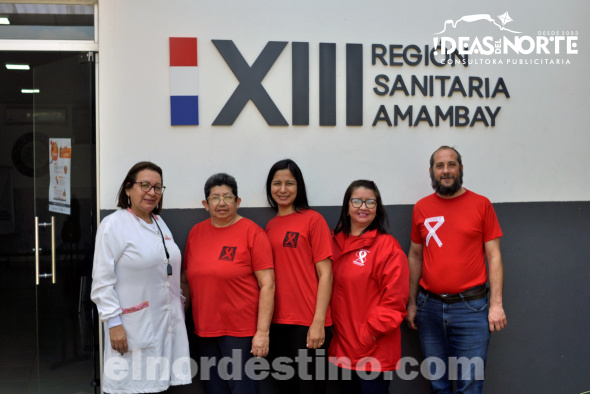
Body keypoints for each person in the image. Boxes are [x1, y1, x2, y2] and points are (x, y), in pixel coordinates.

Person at [406, 146, 508, 394]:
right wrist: (411, 303)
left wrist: (496, 304)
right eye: (439, 166)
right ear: (431, 171)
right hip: (428, 308)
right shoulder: (421, 208)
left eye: (451, 164)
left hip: (471, 309)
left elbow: (494, 256)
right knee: (438, 384)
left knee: (469, 386)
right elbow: (415, 255)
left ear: (461, 169)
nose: (446, 171)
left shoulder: (481, 204)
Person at [91, 161, 191, 393]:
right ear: (128, 189)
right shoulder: (113, 224)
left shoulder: (159, 223)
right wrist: (114, 323)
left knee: (161, 385)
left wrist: (179, 304)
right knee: (133, 386)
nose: (152, 192)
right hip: (131, 328)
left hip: (166, 325)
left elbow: (168, 271)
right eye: (144, 185)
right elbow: (102, 282)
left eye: (157, 187)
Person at [182, 173, 275, 394]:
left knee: (243, 389)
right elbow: (186, 279)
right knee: (214, 389)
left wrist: (262, 333)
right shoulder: (196, 233)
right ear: (206, 204)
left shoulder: (252, 233)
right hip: (204, 331)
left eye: (228, 197)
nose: (221, 203)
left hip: (240, 333)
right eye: (215, 198)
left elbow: (268, 284)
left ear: (238, 201)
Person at [329, 180, 409, 394]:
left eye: (370, 202)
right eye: (357, 201)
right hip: (341, 348)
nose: (363, 207)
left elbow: (395, 301)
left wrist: (368, 337)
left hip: (374, 350)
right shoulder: (332, 242)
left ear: (377, 208)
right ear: (347, 206)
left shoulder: (387, 246)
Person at [264, 159, 333, 393]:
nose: (282, 190)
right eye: (277, 183)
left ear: (299, 187)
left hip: (307, 323)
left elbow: (326, 274)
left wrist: (318, 322)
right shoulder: (270, 226)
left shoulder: (314, 220)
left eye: (289, 183)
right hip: (277, 324)